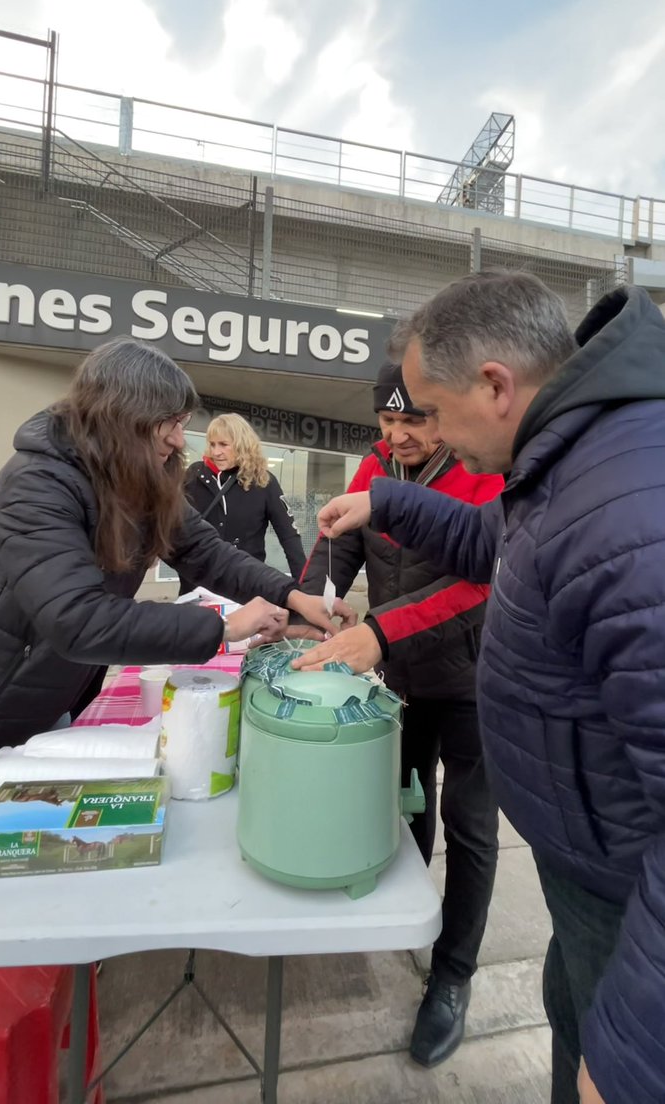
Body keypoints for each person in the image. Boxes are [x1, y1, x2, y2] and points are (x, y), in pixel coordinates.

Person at [300, 270, 665, 1104]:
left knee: (591, 1049)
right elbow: (494, 539)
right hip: (586, 853)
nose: (421, 431)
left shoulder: (627, 497)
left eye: (430, 412)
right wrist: (381, 502)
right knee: (567, 1007)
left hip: (623, 887)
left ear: (495, 385)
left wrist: (636, 1056)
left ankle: (458, 978)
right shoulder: (572, 453)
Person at [0, 337, 346, 751]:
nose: (180, 439)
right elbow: (77, 619)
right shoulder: (37, 484)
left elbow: (205, 552)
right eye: (171, 422)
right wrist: (225, 627)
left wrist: (292, 595)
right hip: (0, 703)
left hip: (51, 697)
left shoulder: (136, 477)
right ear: (124, 416)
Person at [297, 360, 503, 1067]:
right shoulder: (374, 465)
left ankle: (452, 974)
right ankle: (403, 920)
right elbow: (339, 545)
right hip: (394, 679)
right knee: (403, 804)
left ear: (440, 415)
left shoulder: (481, 470)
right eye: (385, 422)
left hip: (472, 684)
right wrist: (304, 607)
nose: (396, 435)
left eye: (411, 420)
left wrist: (379, 631)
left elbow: (477, 584)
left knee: (469, 829)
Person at [178, 413, 306, 596]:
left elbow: (289, 538)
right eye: (212, 444)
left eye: (223, 444)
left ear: (241, 444)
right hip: (196, 590)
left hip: (246, 589)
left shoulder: (264, 482)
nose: (216, 452)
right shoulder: (193, 475)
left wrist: (304, 591)